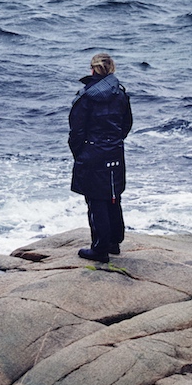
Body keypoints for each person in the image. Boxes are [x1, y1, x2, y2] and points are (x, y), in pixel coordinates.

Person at [68, 52, 133, 262]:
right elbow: (127, 124)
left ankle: (100, 248)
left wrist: (82, 152)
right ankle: (114, 242)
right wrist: (113, 142)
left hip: (92, 152)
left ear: (93, 70)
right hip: (114, 150)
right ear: (111, 69)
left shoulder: (86, 97)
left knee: (96, 200)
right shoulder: (120, 94)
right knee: (113, 196)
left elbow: (76, 131)